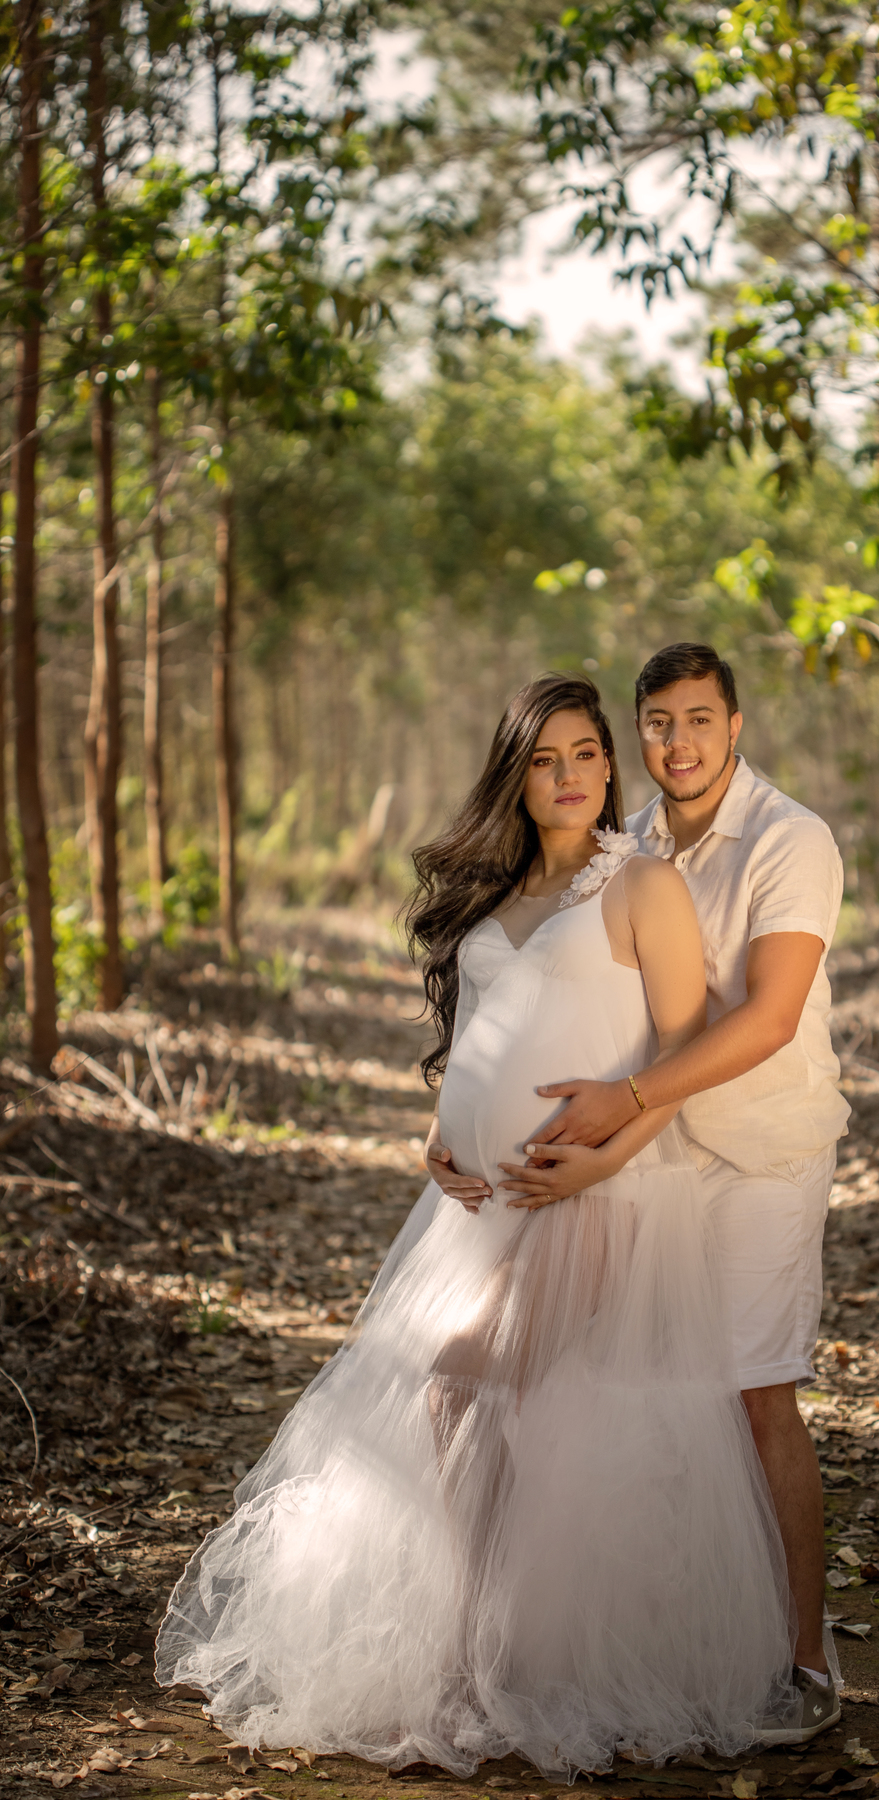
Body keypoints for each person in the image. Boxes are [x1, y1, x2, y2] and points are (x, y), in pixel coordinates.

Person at [156, 673, 824, 1780]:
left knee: (459, 1384)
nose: (566, 778)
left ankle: (480, 1653)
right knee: (505, 1411)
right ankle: (497, 1644)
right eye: (544, 759)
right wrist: (445, 1119)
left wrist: (598, 1160)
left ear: (612, 767)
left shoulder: (642, 884)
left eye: (585, 756)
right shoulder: (500, 892)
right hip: (477, 1208)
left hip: (598, 1196)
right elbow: (491, 1021)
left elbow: (675, 1057)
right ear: (516, 774)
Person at [434, 645, 848, 1745]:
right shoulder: (643, 841)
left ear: (736, 723)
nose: (679, 743)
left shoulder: (789, 839)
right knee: (659, 1399)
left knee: (756, 1393)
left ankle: (803, 1658)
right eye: (658, 723)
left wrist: (621, 1115)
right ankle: (680, 1635)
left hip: (756, 1150)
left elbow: (758, 1021)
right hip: (654, 1156)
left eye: (699, 720)